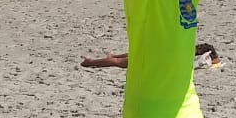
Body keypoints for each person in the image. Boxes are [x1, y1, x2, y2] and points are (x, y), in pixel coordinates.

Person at [80, 42, 220, 70]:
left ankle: (96, 60)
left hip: (153, 50)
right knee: (117, 62)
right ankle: (90, 62)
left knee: (124, 57)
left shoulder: (186, 47)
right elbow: (204, 62)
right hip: (152, 59)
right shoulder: (190, 57)